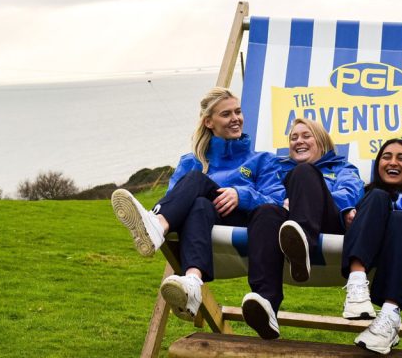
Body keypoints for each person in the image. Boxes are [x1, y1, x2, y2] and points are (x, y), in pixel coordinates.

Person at [111, 87, 284, 321]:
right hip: (204, 228)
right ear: (209, 122)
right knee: (200, 202)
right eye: (226, 114)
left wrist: (240, 194)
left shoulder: (261, 160)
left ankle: (157, 226)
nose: (235, 119)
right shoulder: (191, 161)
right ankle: (192, 281)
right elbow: (178, 200)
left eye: (238, 112)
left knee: (196, 180)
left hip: (245, 226)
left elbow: (275, 202)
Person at [241, 117, 364, 339]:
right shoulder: (276, 167)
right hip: (285, 227)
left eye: (306, 136)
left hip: (328, 224)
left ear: (322, 142)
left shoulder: (342, 168)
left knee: (304, 173)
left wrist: (303, 200)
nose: (299, 141)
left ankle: (302, 244)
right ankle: (267, 302)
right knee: (266, 211)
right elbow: (264, 190)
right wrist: (281, 202)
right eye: (293, 137)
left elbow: (351, 193)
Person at [338, 138, 402, 355]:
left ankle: (390, 316)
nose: (393, 162)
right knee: (378, 196)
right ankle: (356, 286)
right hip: (363, 248)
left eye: (401, 158)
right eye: (386, 157)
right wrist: (346, 212)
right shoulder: (363, 193)